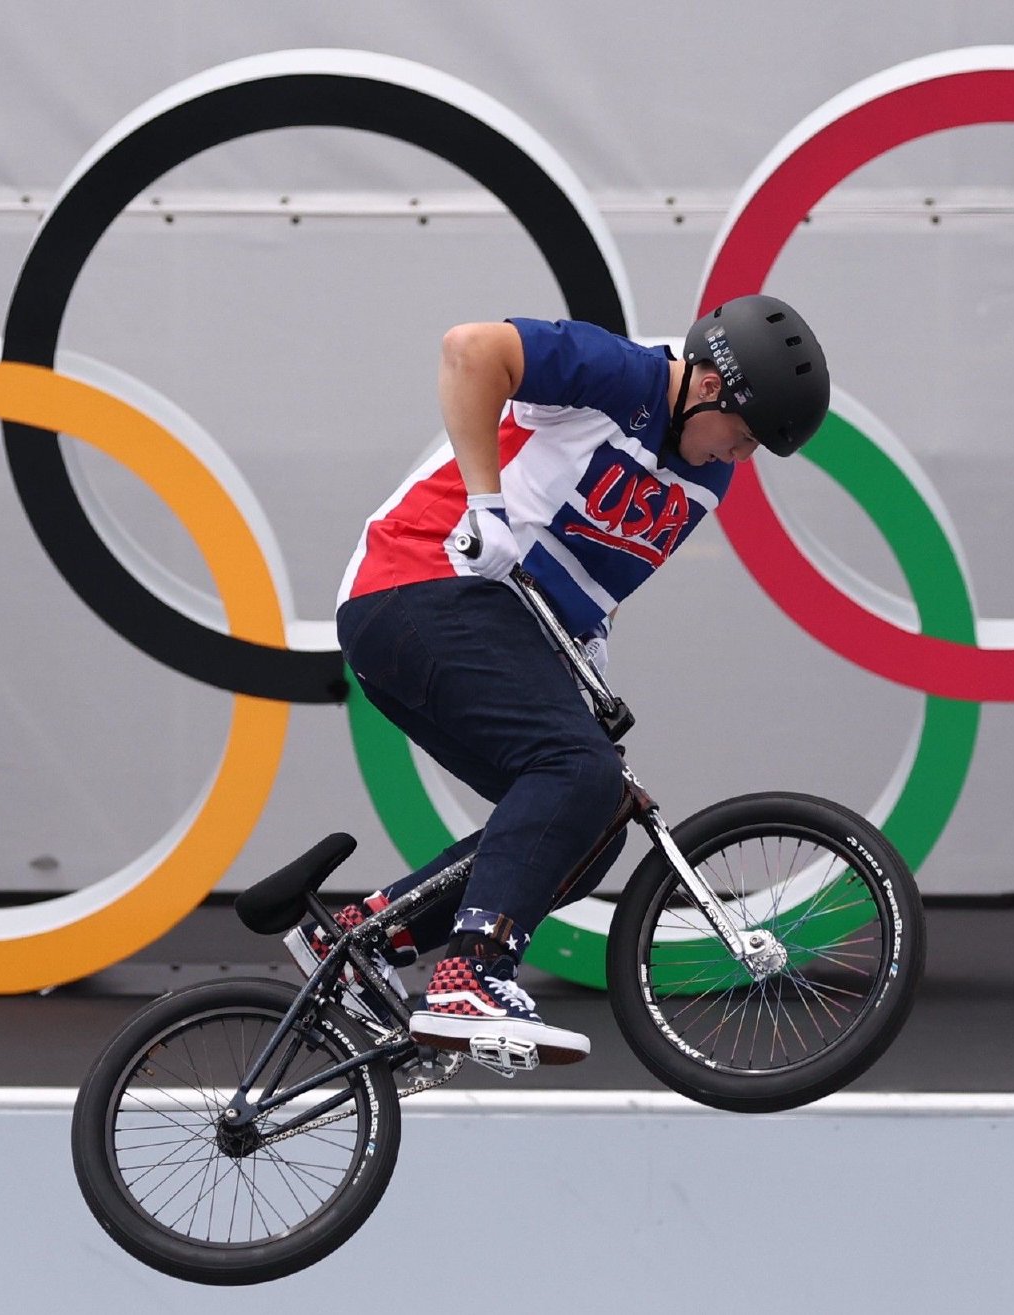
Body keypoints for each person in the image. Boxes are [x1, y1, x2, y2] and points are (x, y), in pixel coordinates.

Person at [286, 294, 831, 1065]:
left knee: (590, 819)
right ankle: (472, 973)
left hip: (492, 623)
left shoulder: (709, 482)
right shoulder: (622, 375)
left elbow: (593, 585)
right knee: (572, 769)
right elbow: (469, 350)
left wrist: (588, 672)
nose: (734, 459)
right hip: (418, 582)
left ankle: (359, 936)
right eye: (740, 439)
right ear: (708, 386)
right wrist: (485, 504)